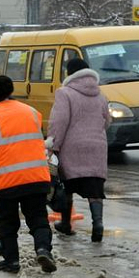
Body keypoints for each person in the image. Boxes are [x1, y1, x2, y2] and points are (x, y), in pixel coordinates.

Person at [0, 75, 56, 274]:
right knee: (38, 218)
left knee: (7, 222)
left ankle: (11, 261)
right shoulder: (32, 112)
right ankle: (43, 249)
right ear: (11, 90)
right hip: (36, 176)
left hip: (5, 180)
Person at [47, 58, 111, 242]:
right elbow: (107, 121)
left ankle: (66, 224)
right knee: (95, 187)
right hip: (97, 146)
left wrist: (53, 144)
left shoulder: (64, 93)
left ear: (70, 73)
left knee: (67, 184)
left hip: (71, 146)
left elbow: (59, 122)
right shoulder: (101, 95)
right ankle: (97, 224)